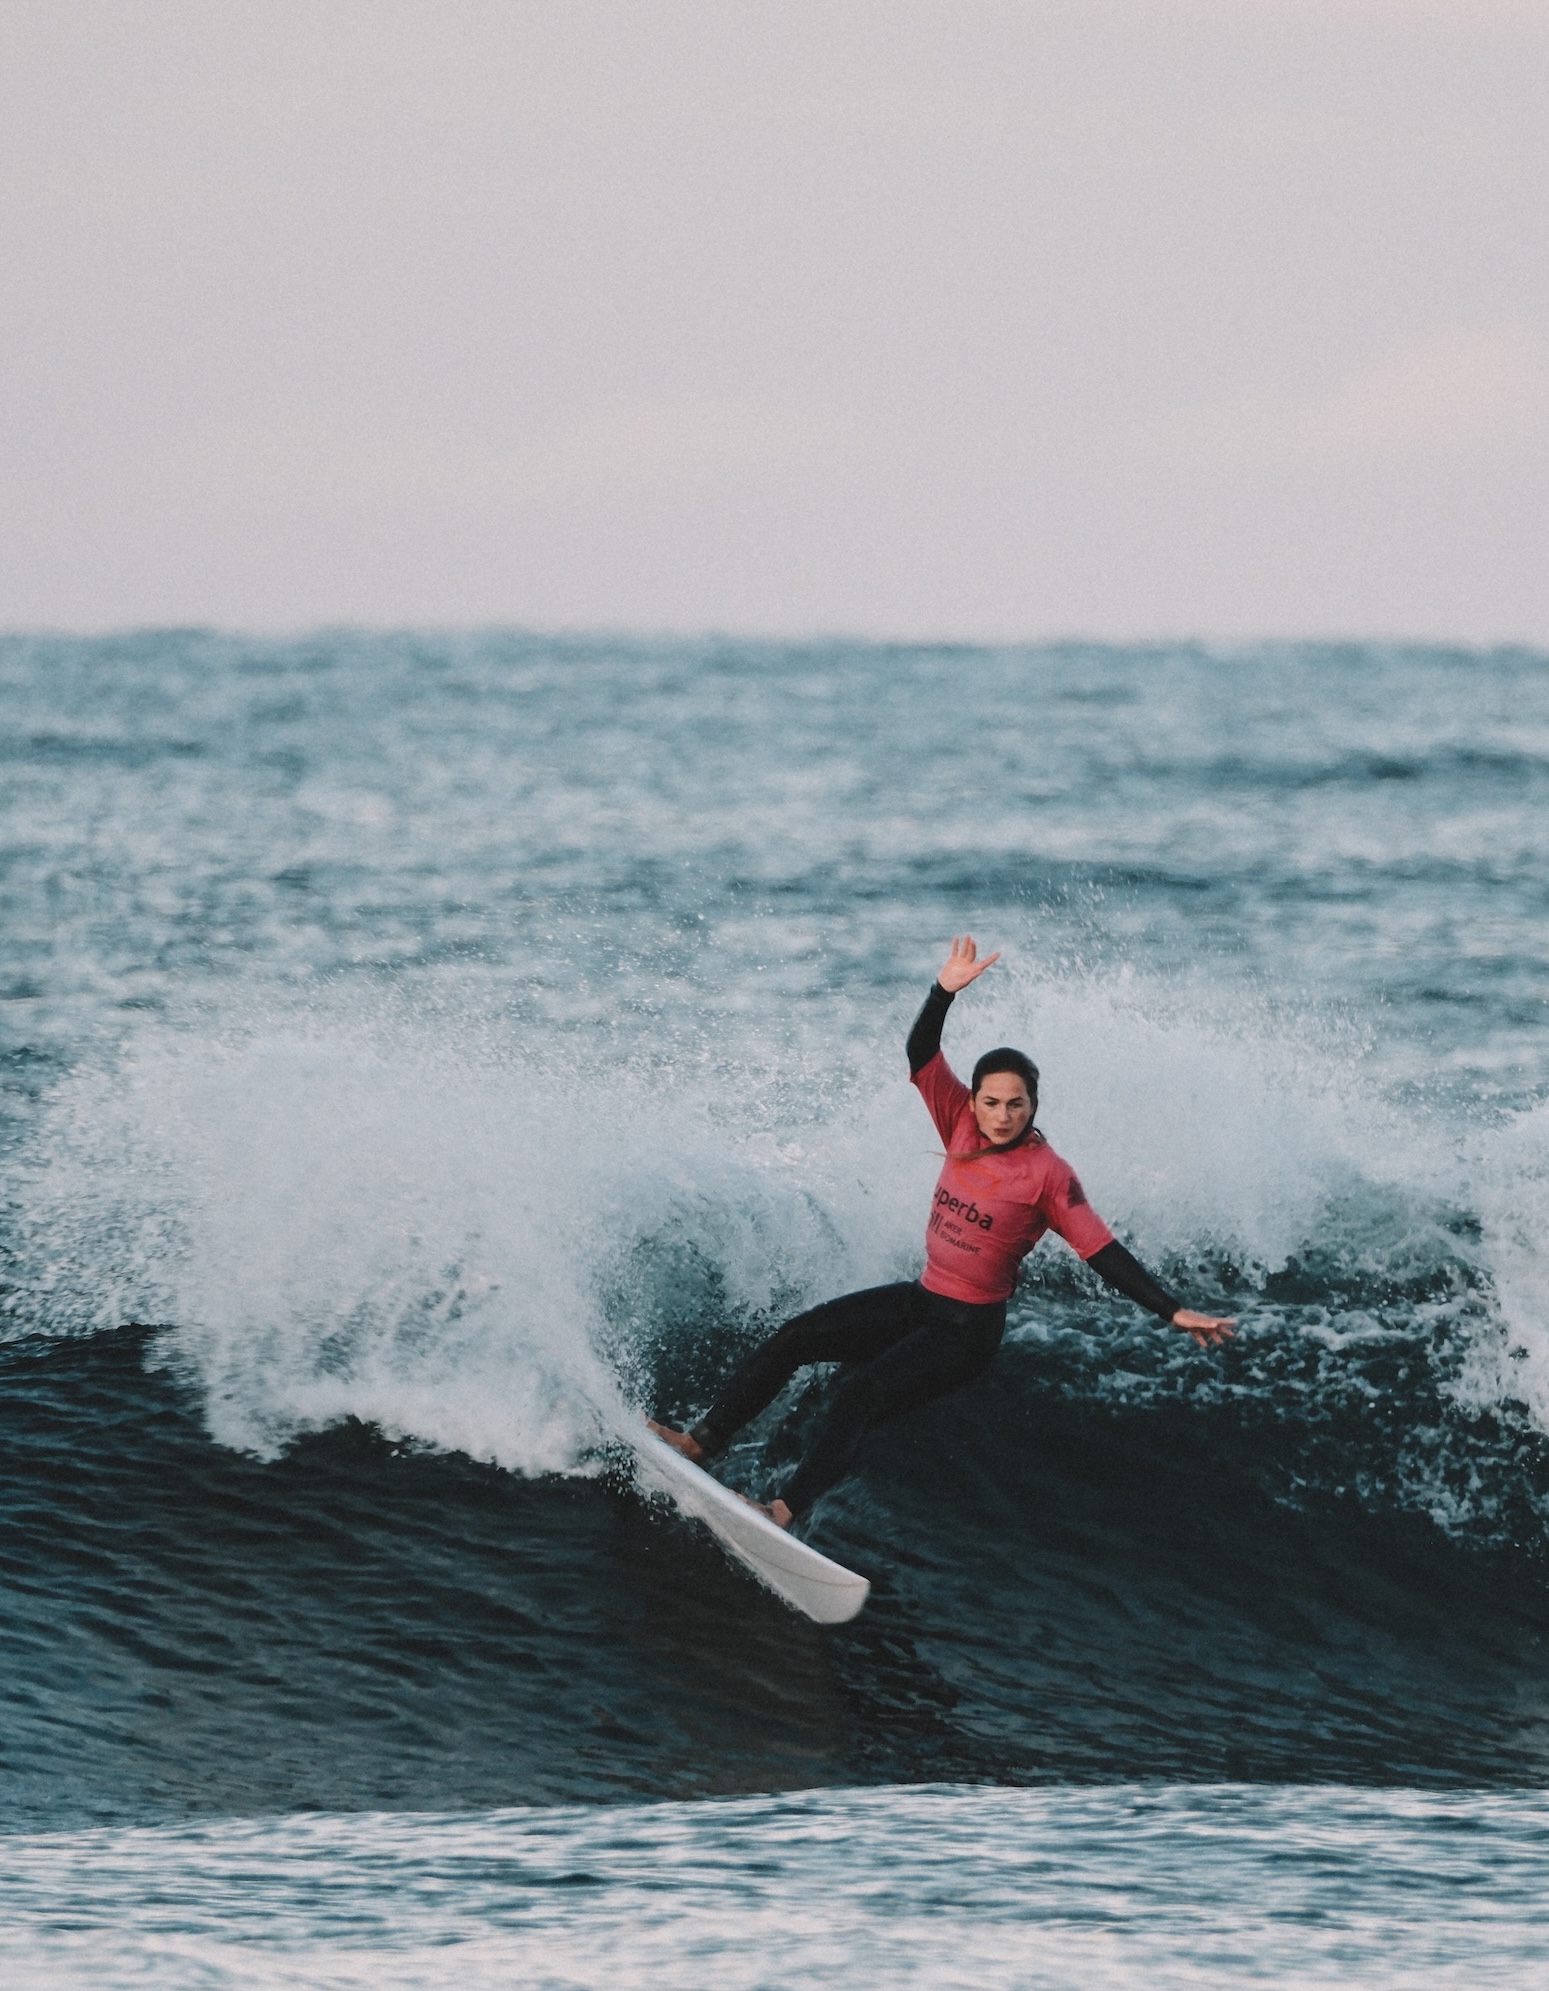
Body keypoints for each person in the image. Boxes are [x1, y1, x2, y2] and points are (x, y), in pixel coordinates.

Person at [650, 937, 1236, 1528]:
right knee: (794, 1338)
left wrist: (1172, 1311)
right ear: (974, 1101)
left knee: (859, 1396)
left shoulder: (1048, 1175)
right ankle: (699, 1442)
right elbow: (920, 1052)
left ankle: (784, 1511)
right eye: (992, 1102)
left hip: (965, 1333)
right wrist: (943, 993)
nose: (1003, 1115)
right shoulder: (956, 1117)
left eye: (1016, 1104)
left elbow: (1101, 1249)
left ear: (1033, 1105)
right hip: (922, 1298)